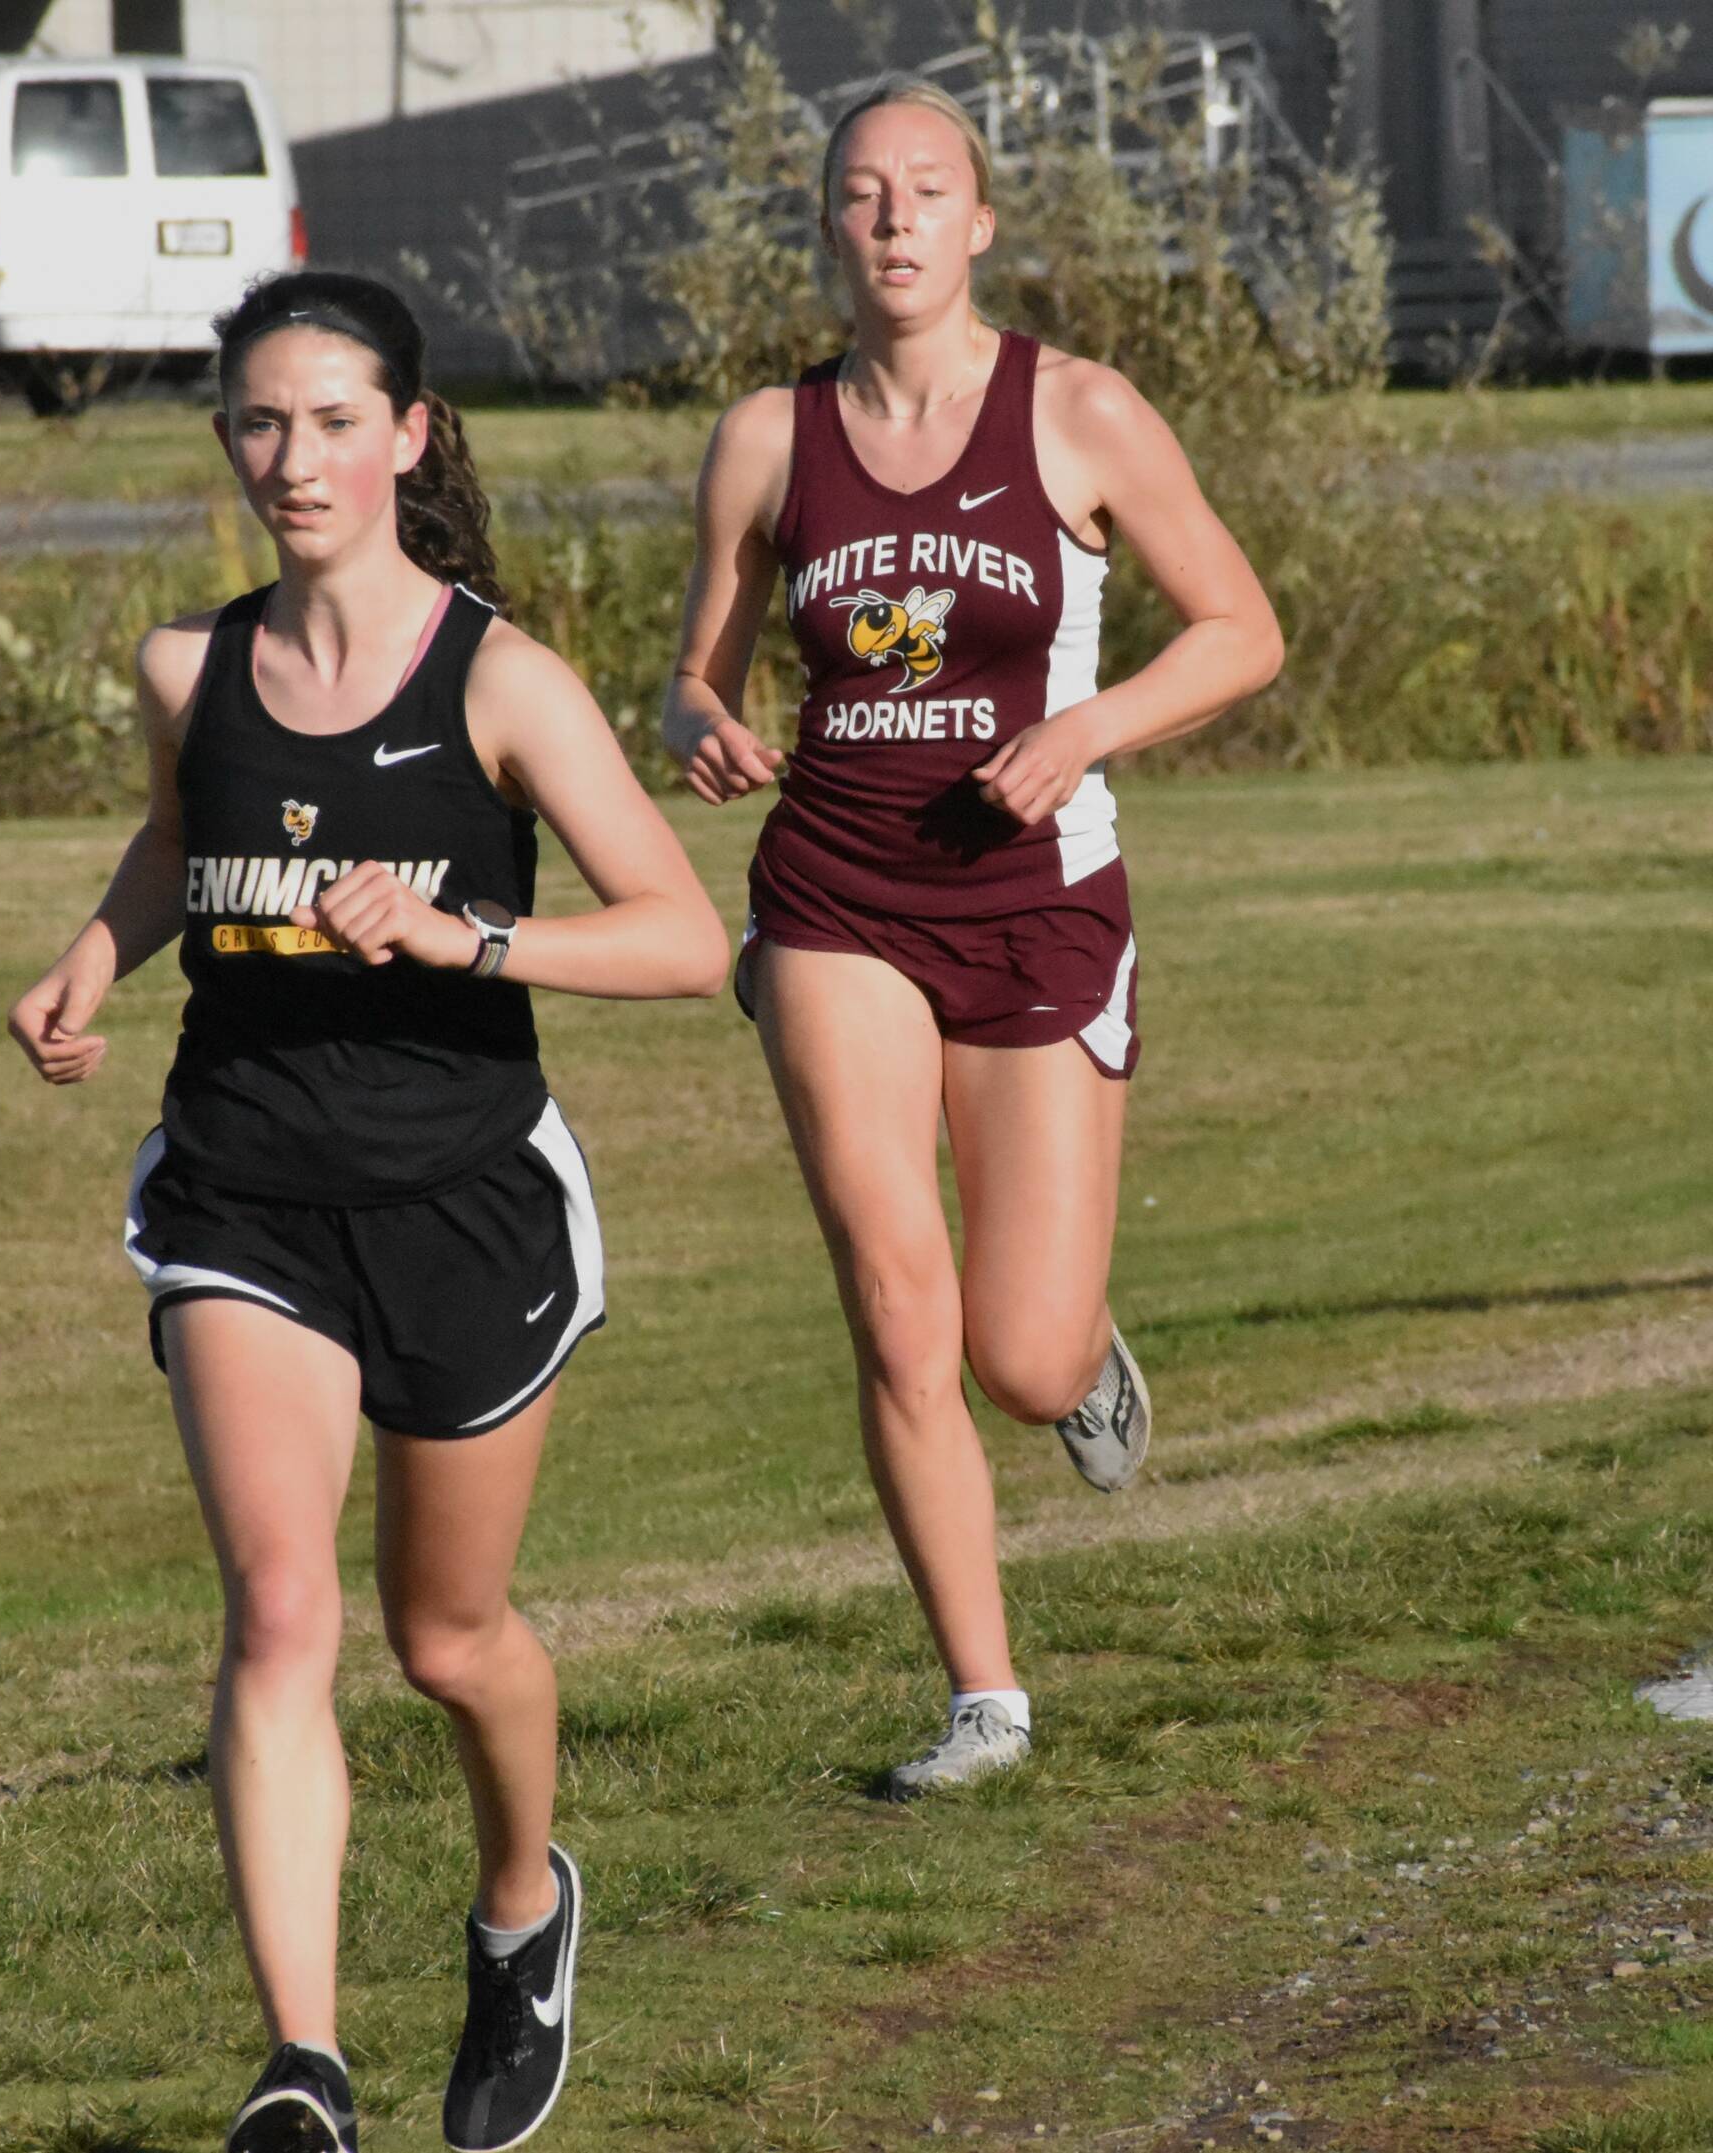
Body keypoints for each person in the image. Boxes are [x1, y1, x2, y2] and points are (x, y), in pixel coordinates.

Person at [9, 271, 728, 2153]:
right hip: (245, 1189)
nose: (293, 456)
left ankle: (519, 1905)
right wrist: (90, 958)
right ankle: (304, 2070)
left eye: (334, 420)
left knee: (450, 1637)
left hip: (464, 1201)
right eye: (261, 420)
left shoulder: (500, 681)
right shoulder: (192, 666)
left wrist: (465, 931)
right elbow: (182, 842)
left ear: (409, 434)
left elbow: (684, 935)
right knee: (275, 1610)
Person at [662, 81, 1283, 1799]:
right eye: (862, 194)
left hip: (1035, 901)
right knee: (892, 1296)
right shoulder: (768, 437)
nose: (895, 220)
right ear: (829, 225)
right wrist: (695, 717)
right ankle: (985, 1699)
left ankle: (1077, 1356)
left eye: (926, 190)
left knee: (1016, 1348)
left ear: (981, 220)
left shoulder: (1079, 411)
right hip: (834, 898)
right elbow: (691, 665)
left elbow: (1244, 629)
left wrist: (1086, 732)